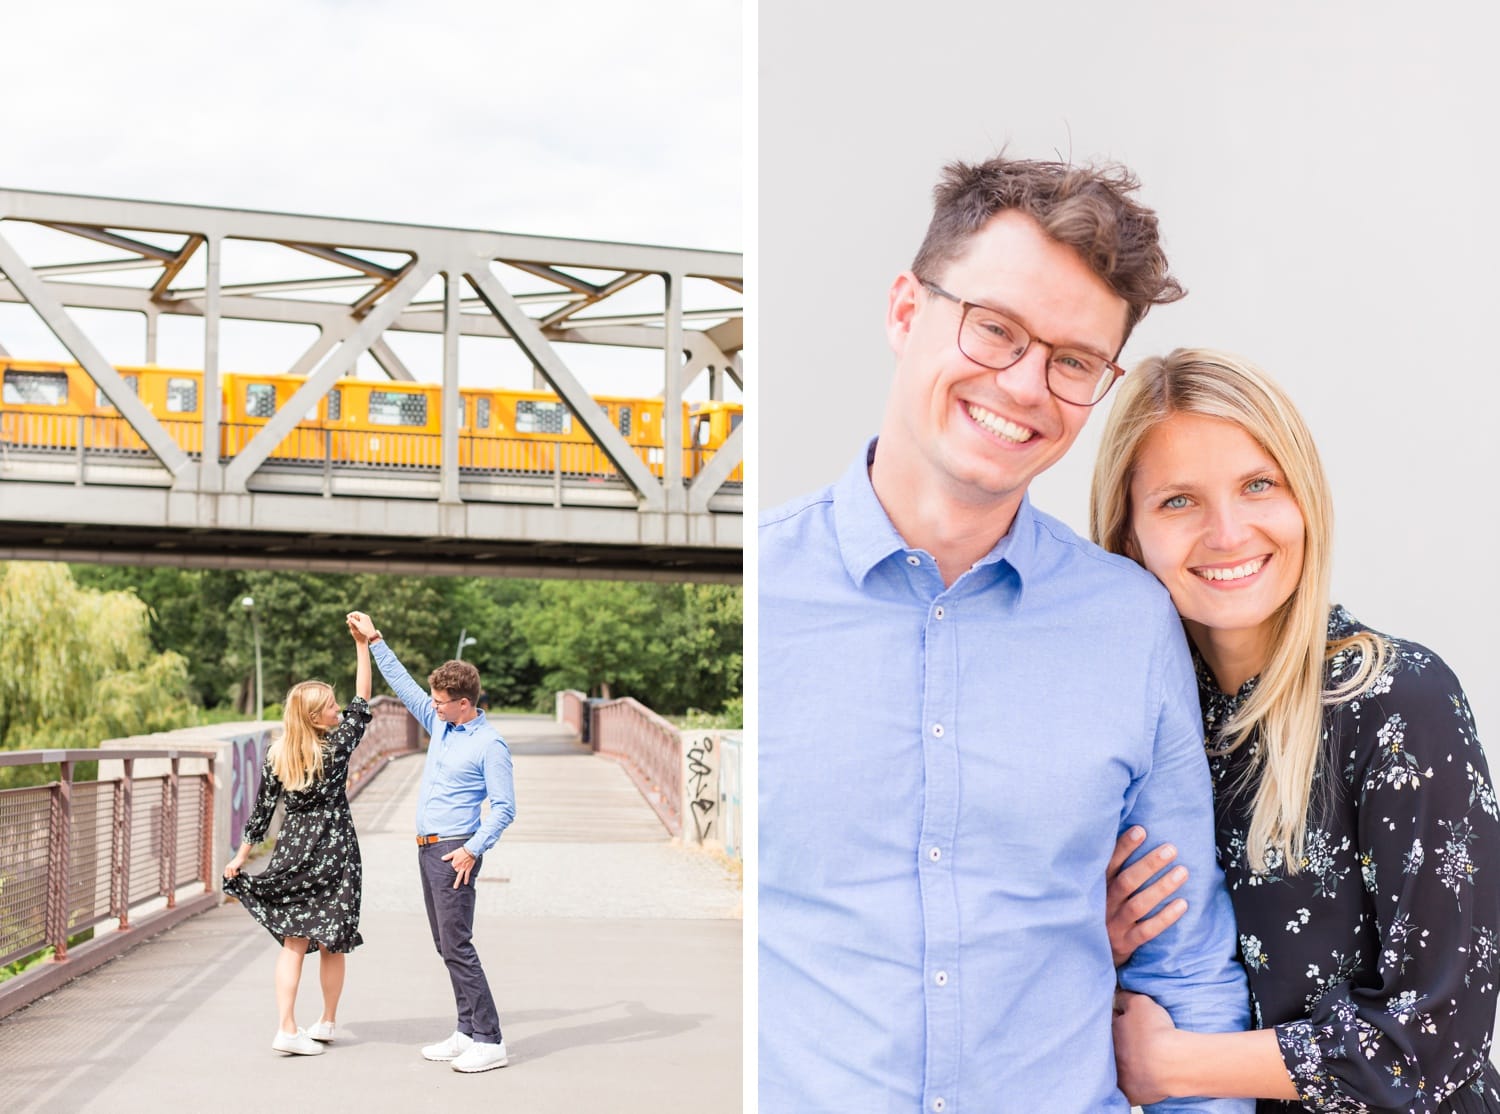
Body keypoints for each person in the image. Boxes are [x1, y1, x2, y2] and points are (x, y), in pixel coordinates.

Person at [759, 155, 1252, 1113]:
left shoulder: (1129, 622)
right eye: (994, 330)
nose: (1025, 385)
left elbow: (1185, 967)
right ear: (907, 312)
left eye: (1073, 361)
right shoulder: (759, 590)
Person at [1095, 349, 1500, 1111]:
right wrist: (1099, 947)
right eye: (1179, 501)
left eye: (1258, 485)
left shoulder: (1396, 701)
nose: (1227, 532)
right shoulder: (1130, 730)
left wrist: (1177, 1067)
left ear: (1303, 498)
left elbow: (1434, 1040)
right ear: (1127, 537)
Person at [344, 610, 515, 1075]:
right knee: (445, 944)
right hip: (427, 848)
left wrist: (474, 848)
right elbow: (401, 685)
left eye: (441, 701)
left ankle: (490, 1039)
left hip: (455, 850)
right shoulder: (441, 724)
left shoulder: (490, 745)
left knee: (458, 944)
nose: (433, 706)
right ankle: (465, 1031)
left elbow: (504, 808)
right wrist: (374, 638)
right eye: (434, 700)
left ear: (464, 703)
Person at [223, 620, 373, 1056]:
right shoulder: (336, 748)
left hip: (294, 848)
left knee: (295, 941)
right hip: (336, 848)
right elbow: (364, 700)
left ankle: (288, 1026)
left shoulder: (279, 754)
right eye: (330, 705)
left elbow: (262, 813)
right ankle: (325, 1021)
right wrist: (362, 647)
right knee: (332, 939)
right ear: (314, 716)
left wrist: (241, 856)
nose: (339, 708)